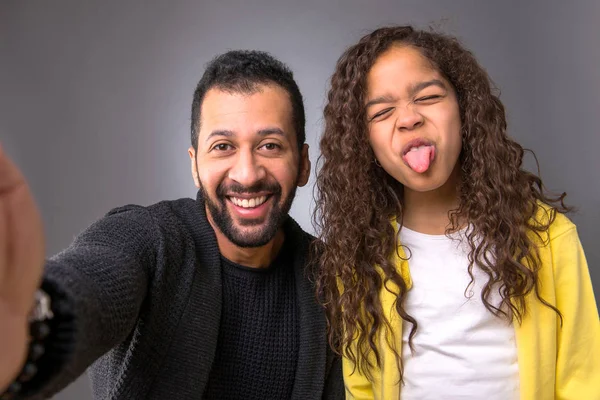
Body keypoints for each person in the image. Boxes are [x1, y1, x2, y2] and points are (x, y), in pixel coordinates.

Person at [0, 50, 344, 400]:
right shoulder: (149, 239)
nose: (247, 174)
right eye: (223, 146)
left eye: (270, 146)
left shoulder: (334, 280)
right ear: (195, 165)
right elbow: (94, 281)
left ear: (302, 164)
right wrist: (27, 319)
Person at [313, 25, 599, 399]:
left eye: (428, 97)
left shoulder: (546, 238)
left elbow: (583, 379)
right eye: (382, 112)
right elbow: (361, 385)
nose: (408, 118)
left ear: (464, 109)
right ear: (363, 144)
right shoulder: (361, 256)